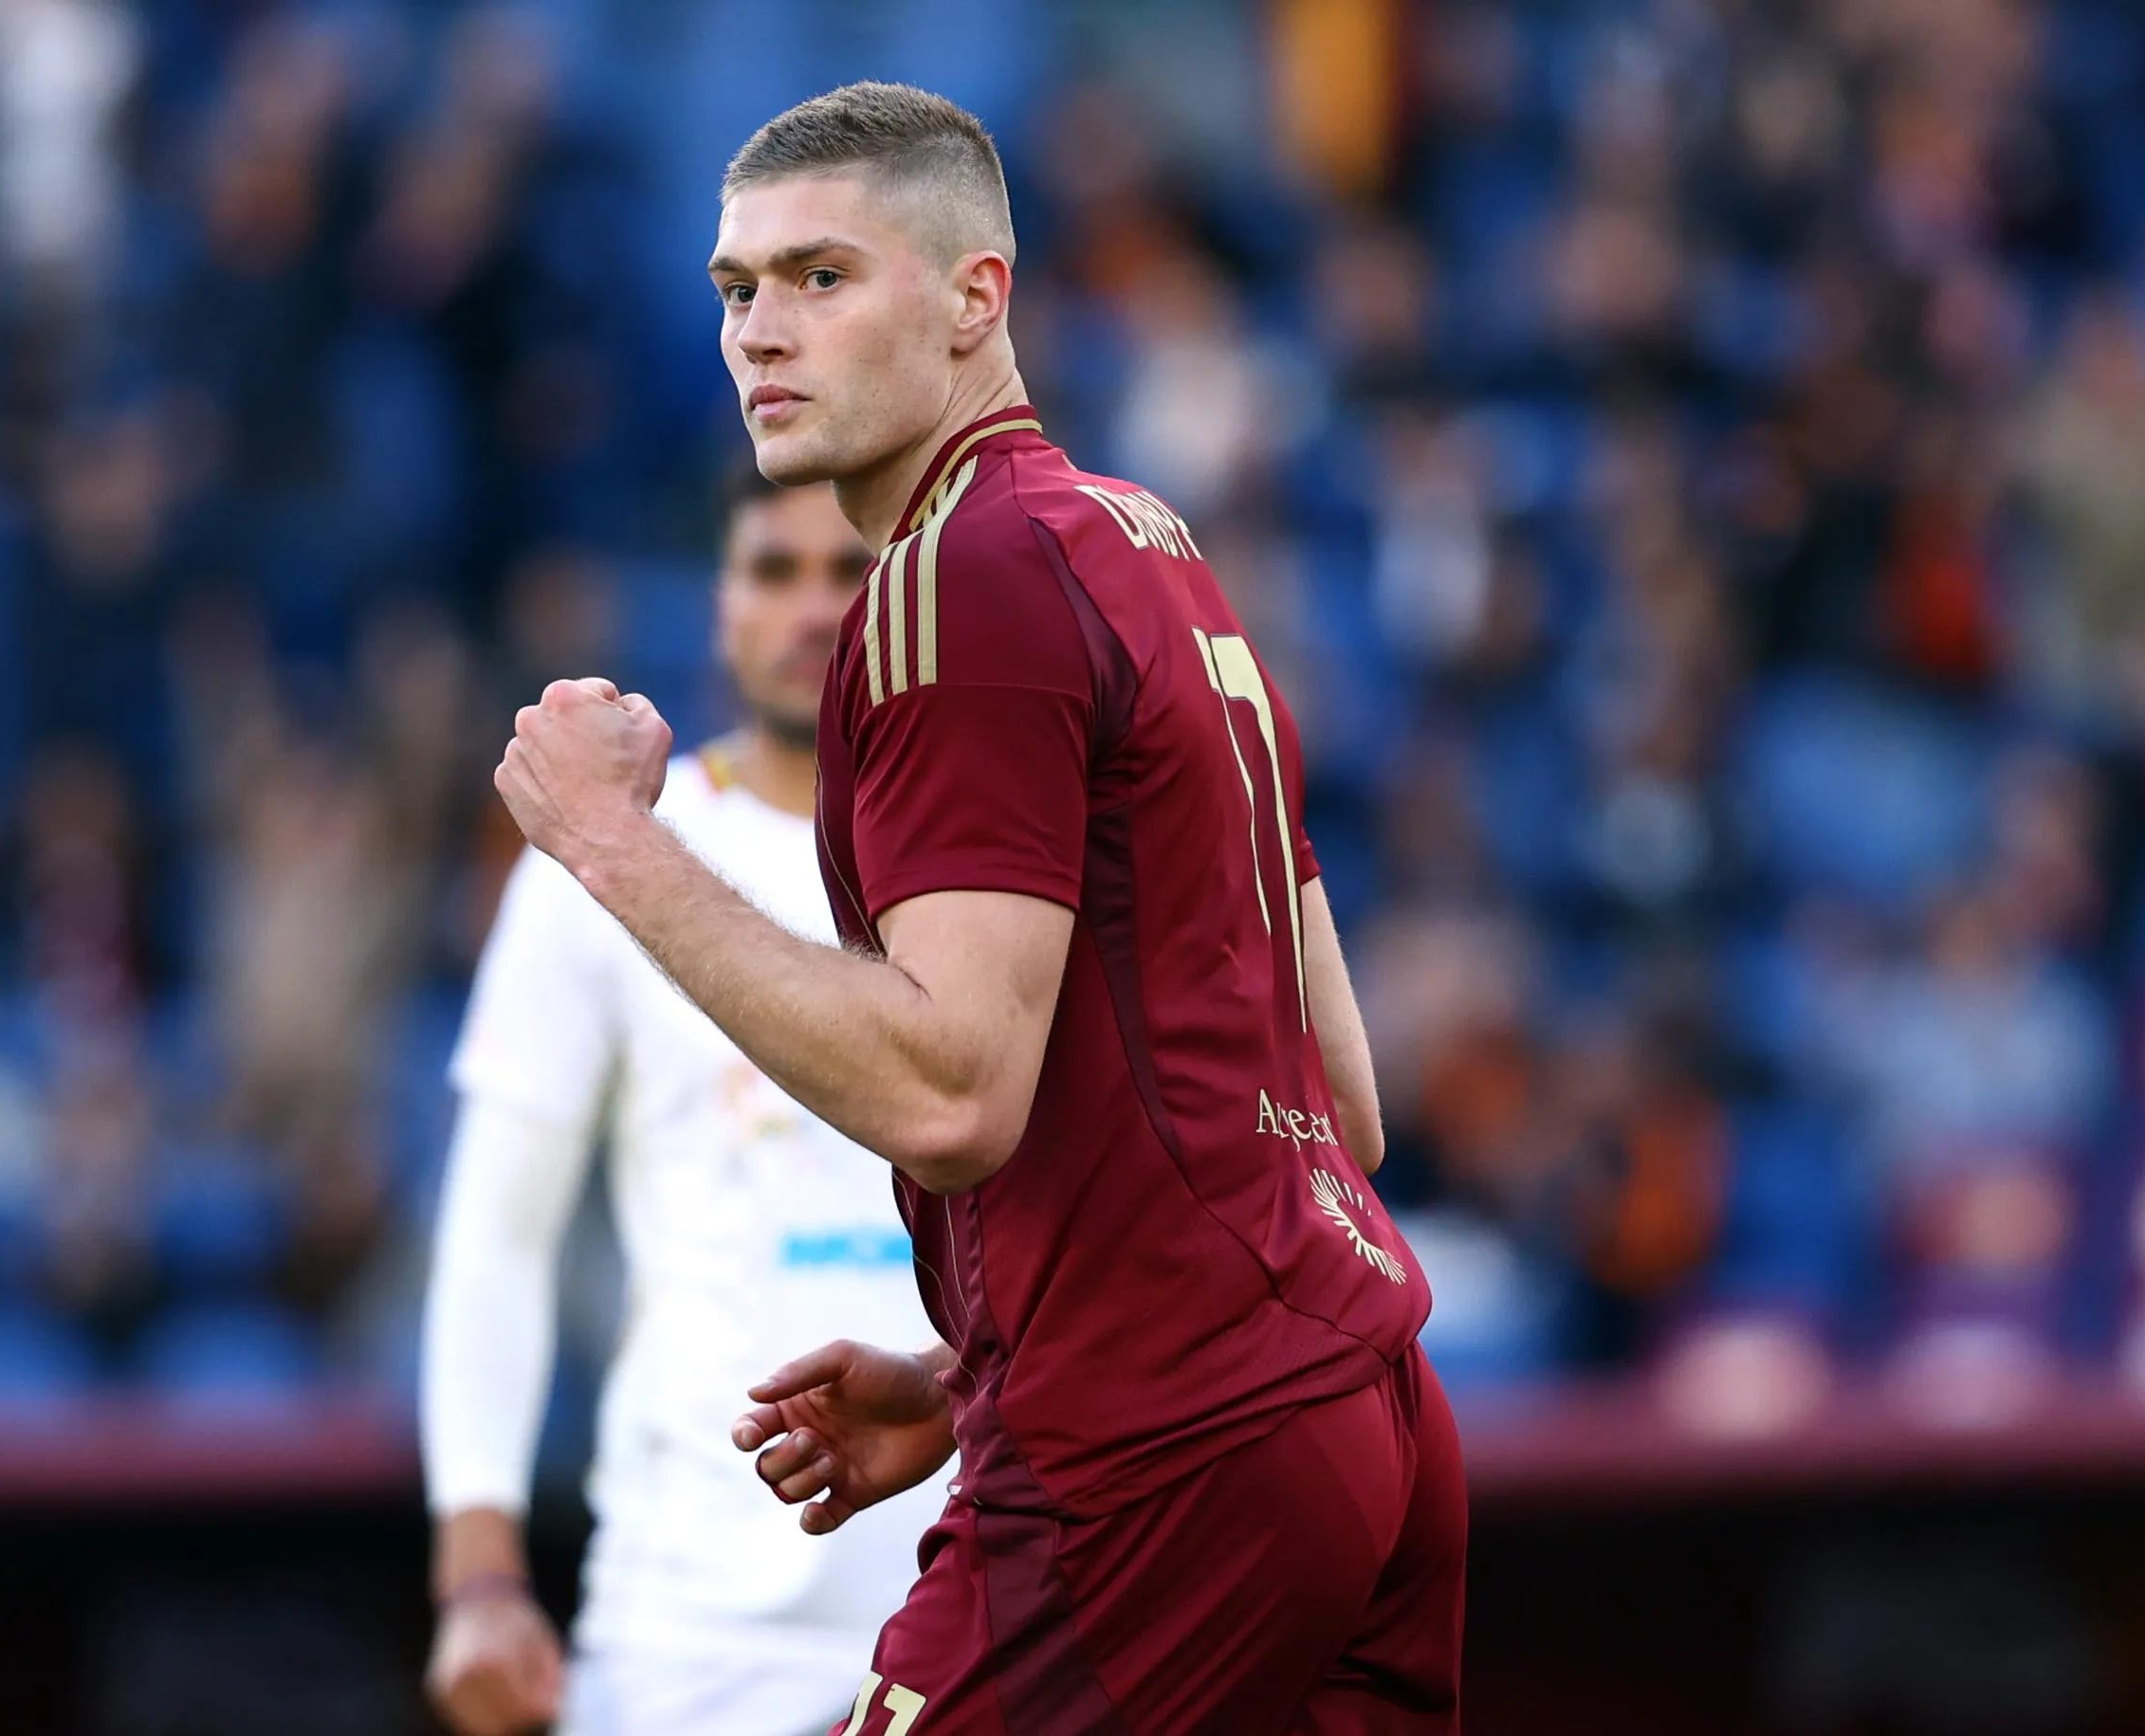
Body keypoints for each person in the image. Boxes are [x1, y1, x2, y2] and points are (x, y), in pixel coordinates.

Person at [491, 82, 1465, 1733]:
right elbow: (1337, 1107)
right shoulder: (1147, 551)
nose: (758, 333)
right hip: (1358, 1404)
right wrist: (966, 1374)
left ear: (974, 297)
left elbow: (952, 1092)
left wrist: (608, 842)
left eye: (820, 277)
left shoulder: (960, 576)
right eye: (735, 289)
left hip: (1158, 1448)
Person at [421, 472, 948, 1736]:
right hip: (692, 1625)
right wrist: (480, 1577)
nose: (812, 608)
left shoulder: (1007, 868)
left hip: (989, 1583)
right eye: (773, 570)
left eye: (850, 572)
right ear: (718, 605)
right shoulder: (599, 859)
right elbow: (496, 1238)